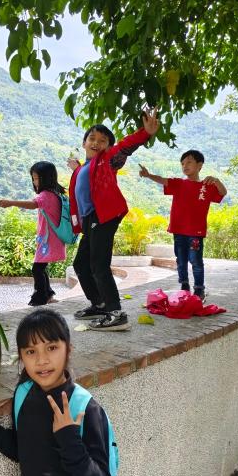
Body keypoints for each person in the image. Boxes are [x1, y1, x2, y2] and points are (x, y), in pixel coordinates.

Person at [0, 309, 113, 476]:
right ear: (21, 357)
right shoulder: (23, 394)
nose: (42, 360)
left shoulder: (84, 408)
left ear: (68, 350)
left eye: (52, 348)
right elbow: (24, 451)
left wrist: (69, 441)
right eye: (31, 351)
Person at [67, 108, 159, 331]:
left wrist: (145, 133)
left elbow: (124, 148)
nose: (96, 143)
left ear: (108, 147)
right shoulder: (84, 168)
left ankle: (115, 313)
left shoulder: (107, 160)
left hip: (104, 215)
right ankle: (99, 304)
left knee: (99, 264)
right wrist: (76, 167)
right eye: (92, 138)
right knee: (81, 264)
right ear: (84, 143)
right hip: (90, 219)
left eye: (103, 141)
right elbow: (84, 184)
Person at [139, 149, 227, 300]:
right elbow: (163, 180)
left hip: (196, 232)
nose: (185, 166)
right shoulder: (179, 183)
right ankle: (184, 286)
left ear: (200, 165)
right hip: (178, 230)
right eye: (182, 163)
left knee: (196, 261)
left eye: (189, 162)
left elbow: (223, 193)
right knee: (181, 260)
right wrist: (149, 175)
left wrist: (217, 181)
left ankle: (199, 289)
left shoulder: (207, 186)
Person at [0, 161, 66, 306]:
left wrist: (11, 202)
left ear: (45, 178)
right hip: (49, 239)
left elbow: (33, 204)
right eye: (33, 178)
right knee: (40, 267)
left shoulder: (46, 195)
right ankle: (47, 294)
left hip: (48, 240)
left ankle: (40, 297)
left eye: (36, 178)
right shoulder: (55, 193)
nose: (34, 182)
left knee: (37, 269)